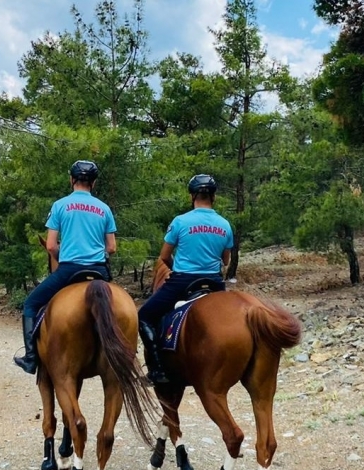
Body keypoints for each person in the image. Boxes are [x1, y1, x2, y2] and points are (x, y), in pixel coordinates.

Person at [13, 160, 117, 374]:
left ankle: (31, 358)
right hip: (99, 271)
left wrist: (64, 254)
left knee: (31, 304)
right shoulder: (104, 209)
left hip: (69, 270)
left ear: (71, 179)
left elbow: (50, 245)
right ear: (93, 183)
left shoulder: (60, 205)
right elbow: (112, 247)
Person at [138, 174, 233, 384]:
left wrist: (176, 269)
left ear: (192, 196)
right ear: (213, 196)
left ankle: (156, 370)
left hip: (183, 281)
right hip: (215, 283)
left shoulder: (180, 222)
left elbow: (163, 256)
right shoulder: (225, 225)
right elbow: (225, 261)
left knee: (144, 315)